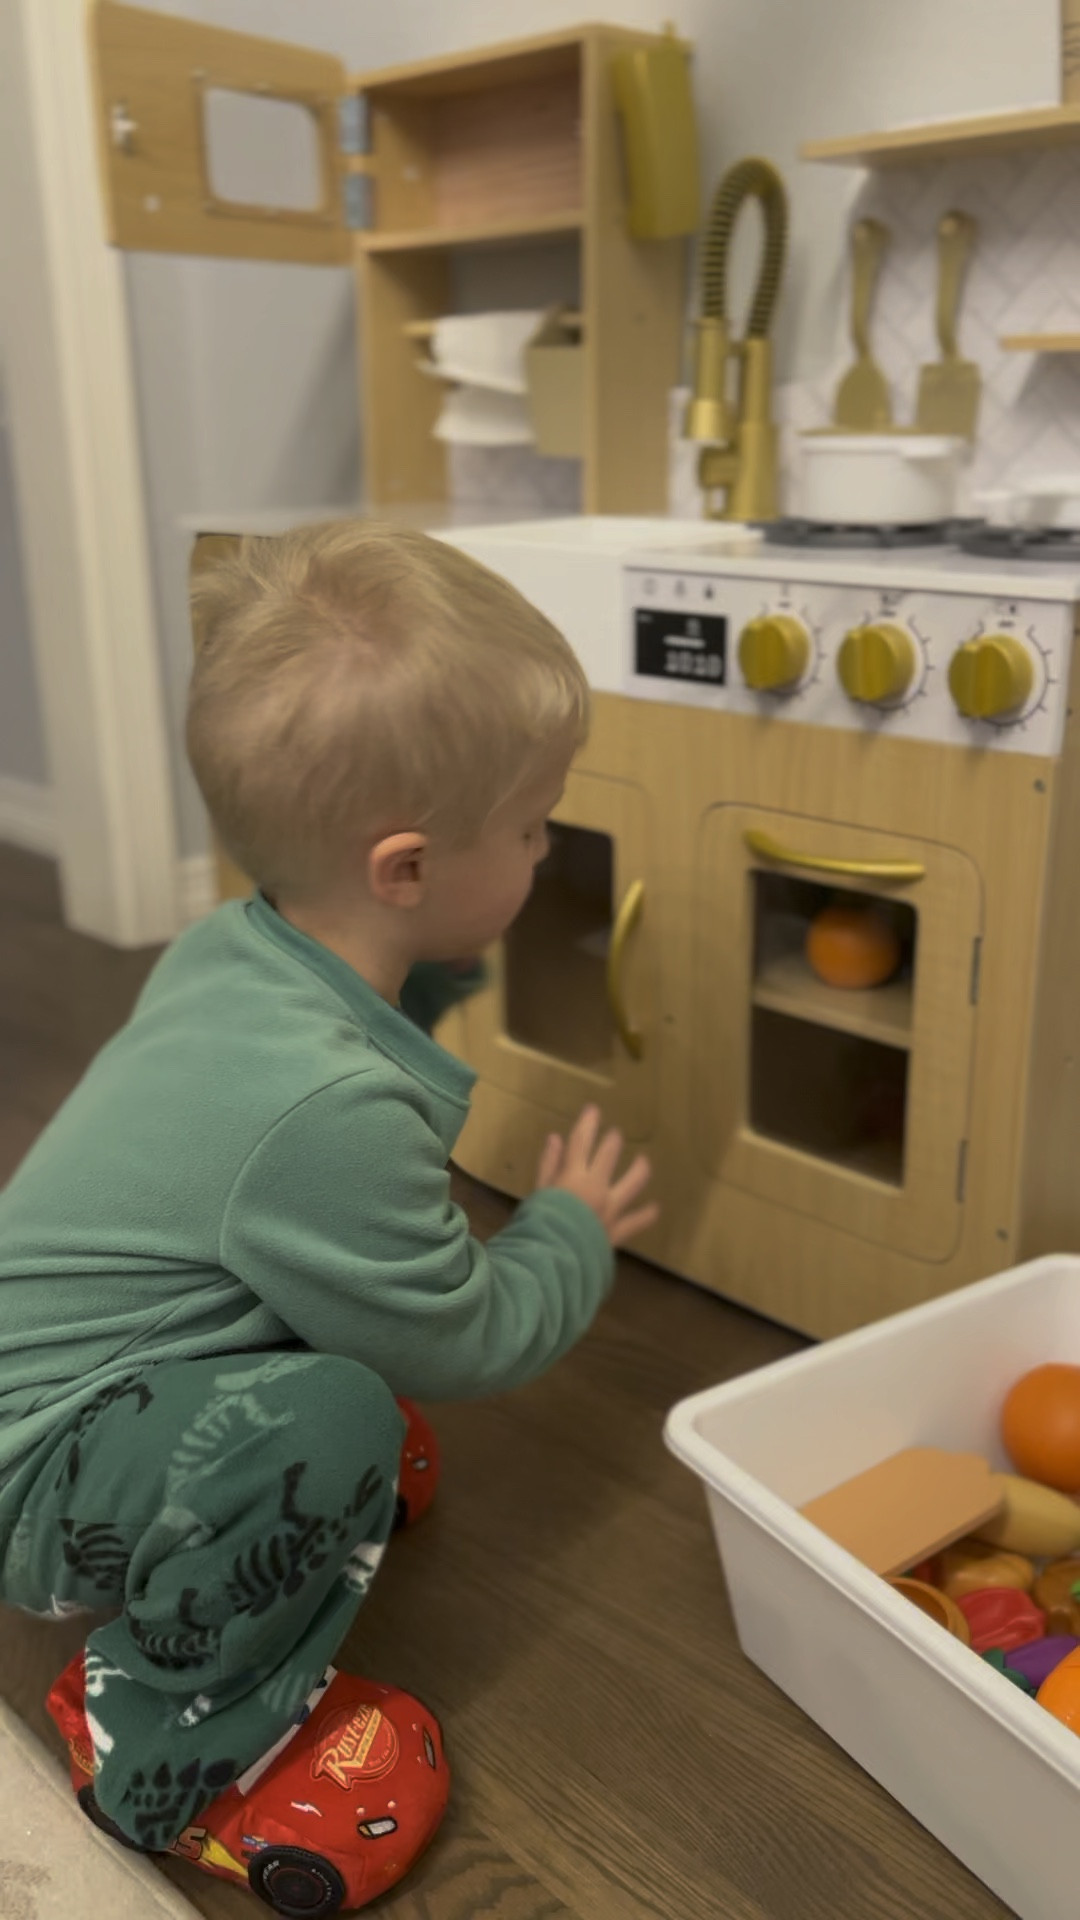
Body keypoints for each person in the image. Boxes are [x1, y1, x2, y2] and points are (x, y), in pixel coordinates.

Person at [0, 520, 657, 1892]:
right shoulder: (329, 1111)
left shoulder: (231, 949)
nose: (545, 849)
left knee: (322, 1352)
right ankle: (158, 1736)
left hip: (58, 1391)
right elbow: (463, 1336)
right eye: (530, 826)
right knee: (342, 1415)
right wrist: (568, 1233)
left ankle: (224, 1496)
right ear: (405, 870)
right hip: (35, 1478)